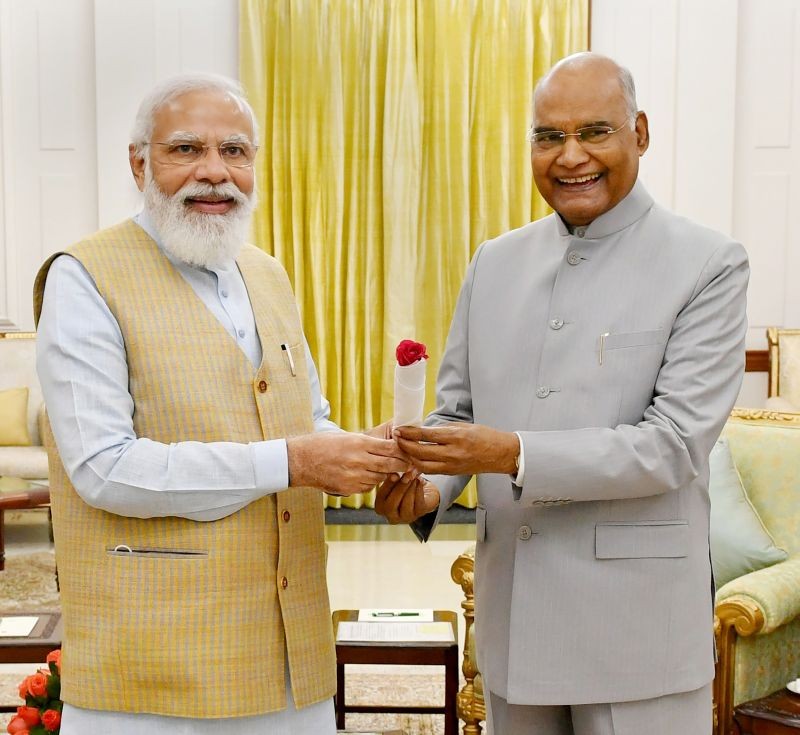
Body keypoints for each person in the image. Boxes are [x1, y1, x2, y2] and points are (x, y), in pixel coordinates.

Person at [375, 52, 749, 735]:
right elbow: (458, 416)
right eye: (549, 137)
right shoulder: (496, 261)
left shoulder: (708, 263)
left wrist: (512, 452)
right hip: (515, 631)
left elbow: (671, 446)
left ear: (639, 131)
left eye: (594, 132)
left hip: (638, 641)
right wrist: (425, 487)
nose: (569, 155)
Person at [34, 73, 408, 735]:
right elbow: (104, 467)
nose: (215, 173)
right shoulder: (85, 275)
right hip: (153, 674)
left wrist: (369, 454)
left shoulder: (266, 271)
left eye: (235, 151)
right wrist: (293, 460)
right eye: (187, 150)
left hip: (292, 656)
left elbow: (304, 419)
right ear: (139, 162)